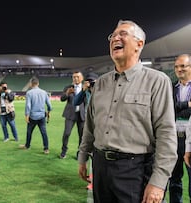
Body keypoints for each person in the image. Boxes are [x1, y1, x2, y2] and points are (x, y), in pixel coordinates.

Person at [78, 19, 177, 203]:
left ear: (139, 44)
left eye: (122, 34)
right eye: (113, 35)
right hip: (100, 166)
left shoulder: (157, 81)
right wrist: (83, 156)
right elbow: (90, 126)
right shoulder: (100, 83)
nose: (115, 38)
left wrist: (158, 181)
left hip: (135, 170)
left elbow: (166, 133)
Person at [167, 53, 191, 203]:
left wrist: (177, 109)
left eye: (183, 66)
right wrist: (186, 105)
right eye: (176, 66)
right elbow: (168, 109)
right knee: (174, 179)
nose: (179, 69)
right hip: (174, 138)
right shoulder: (170, 87)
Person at [20, 77, 52, 154]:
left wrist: (27, 115)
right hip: (42, 116)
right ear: (38, 83)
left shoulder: (29, 93)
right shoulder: (44, 92)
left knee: (29, 132)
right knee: (44, 132)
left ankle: (27, 146)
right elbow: (49, 105)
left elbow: (28, 105)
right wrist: (48, 112)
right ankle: (46, 148)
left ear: (31, 84)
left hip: (32, 116)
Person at [59, 71, 85, 159]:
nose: (75, 79)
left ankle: (80, 153)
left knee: (82, 136)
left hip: (81, 115)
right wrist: (67, 93)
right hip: (70, 114)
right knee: (66, 133)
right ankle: (63, 151)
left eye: (77, 77)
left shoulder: (85, 87)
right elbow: (62, 99)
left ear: (82, 78)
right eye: (74, 77)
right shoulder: (68, 87)